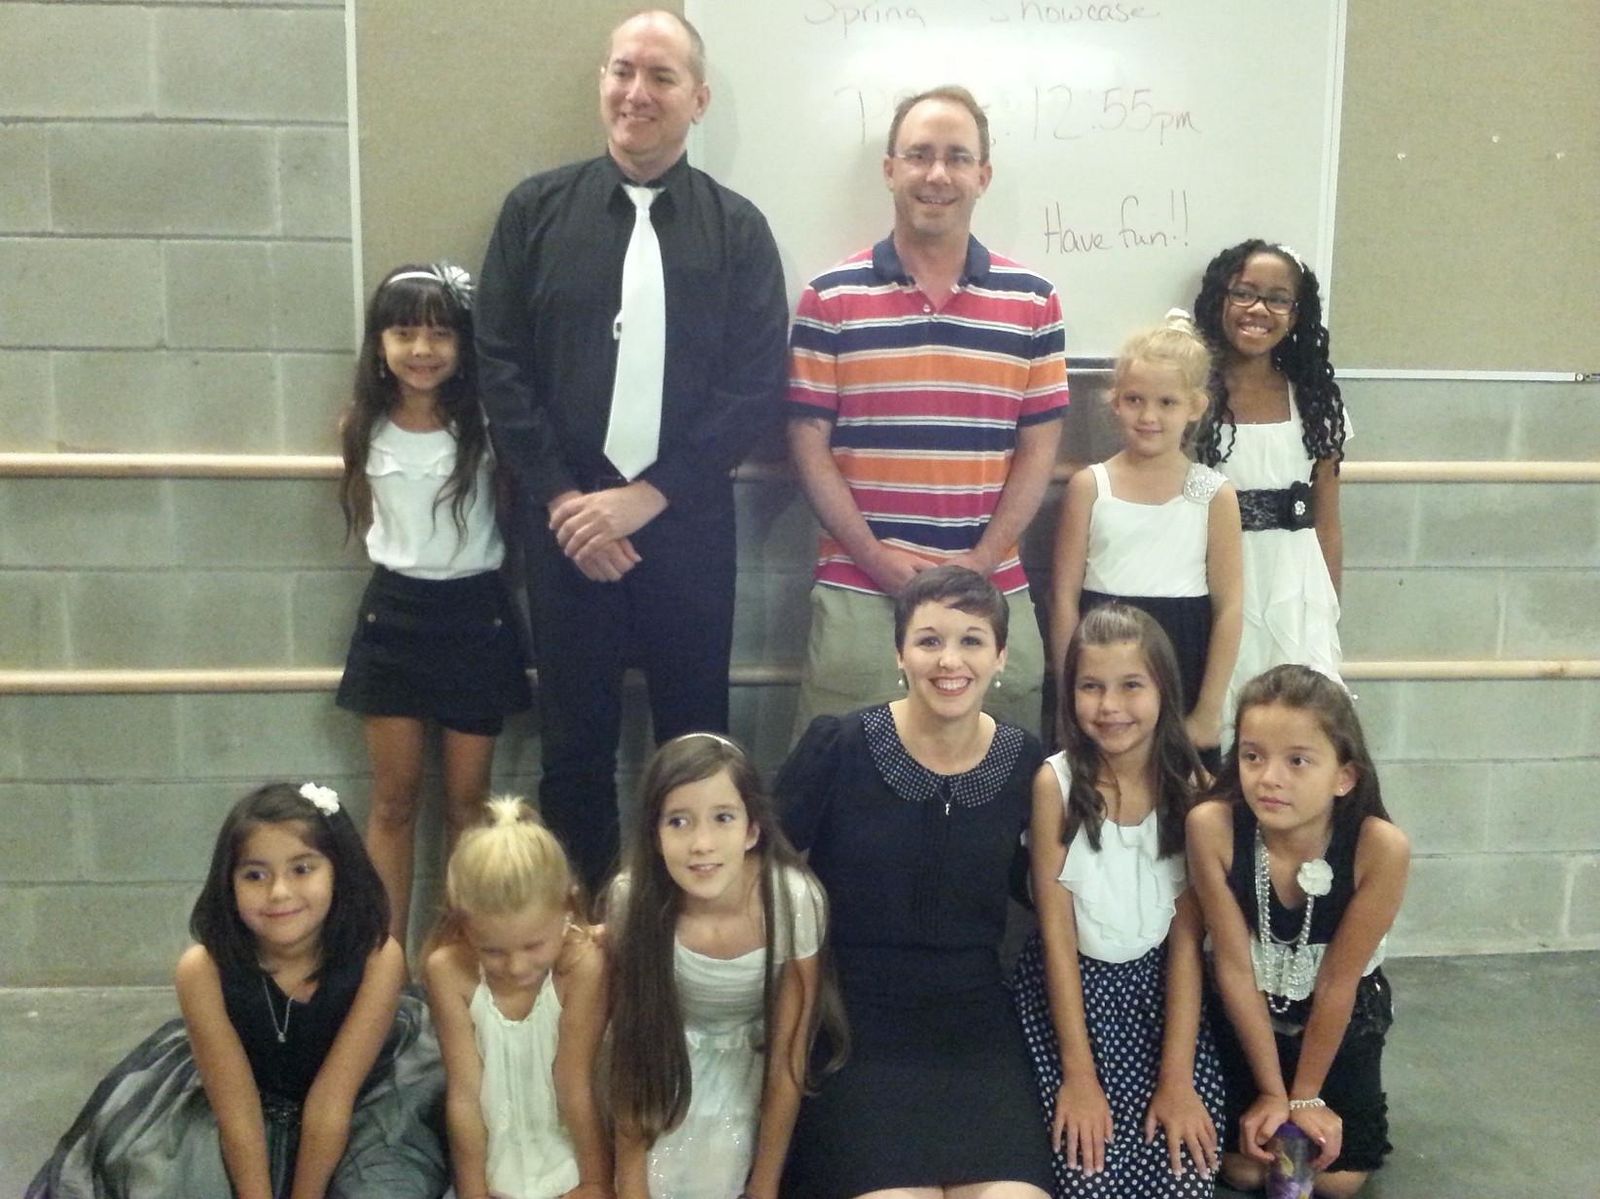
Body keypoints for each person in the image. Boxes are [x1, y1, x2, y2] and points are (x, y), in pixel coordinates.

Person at [475, 10, 789, 892]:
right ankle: (586, 934)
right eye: (622, 71)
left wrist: (646, 497)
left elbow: (755, 383)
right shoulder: (534, 213)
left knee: (695, 746)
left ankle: (686, 925)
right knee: (574, 749)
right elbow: (499, 363)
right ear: (603, 82)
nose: (636, 92)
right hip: (565, 527)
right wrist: (566, 500)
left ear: (699, 99)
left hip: (685, 526)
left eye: (660, 77)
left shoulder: (738, 230)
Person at [788, 84, 1069, 738]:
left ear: (983, 175)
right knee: (838, 783)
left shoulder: (1035, 304)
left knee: (1002, 783)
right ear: (890, 169)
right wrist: (874, 557)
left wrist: (981, 560)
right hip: (860, 593)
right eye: (918, 155)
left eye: (956, 157)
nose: (937, 174)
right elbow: (807, 445)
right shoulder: (829, 299)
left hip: (990, 595)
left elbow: (1038, 453)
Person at [777, 564, 1053, 1199]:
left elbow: (1044, 889)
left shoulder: (1026, 762)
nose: (949, 660)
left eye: (971, 640)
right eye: (929, 640)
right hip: (855, 1023)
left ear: (1000, 657)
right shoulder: (839, 745)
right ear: (899, 652)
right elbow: (762, 865)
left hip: (975, 1023)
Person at [29, 783, 447, 1199]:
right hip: (239, 1106)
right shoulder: (201, 970)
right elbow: (238, 1116)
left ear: (339, 871)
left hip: (356, 1105)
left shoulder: (378, 958)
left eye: (302, 869)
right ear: (228, 883)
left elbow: (331, 1103)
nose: (279, 892)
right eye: (255, 875)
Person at [334, 262, 531, 942]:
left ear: (463, 344)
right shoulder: (361, 425)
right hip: (393, 614)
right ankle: (385, 959)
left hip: (477, 614)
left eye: (441, 333)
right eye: (404, 333)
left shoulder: (487, 423)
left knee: (467, 806)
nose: (422, 349)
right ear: (380, 343)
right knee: (393, 801)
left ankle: (456, 953)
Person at [1011, 605, 1224, 1198]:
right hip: (1070, 1000)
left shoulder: (1196, 790)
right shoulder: (1054, 784)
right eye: (1091, 686)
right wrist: (1079, 1075)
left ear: (1164, 691)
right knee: (1086, 1178)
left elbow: (1186, 944)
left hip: (1161, 999)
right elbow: (1057, 939)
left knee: (1183, 1178)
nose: (1110, 706)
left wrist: (1176, 1077)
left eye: (1132, 685)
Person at [1187, 666, 1409, 1198]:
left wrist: (1305, 1097)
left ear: (1343, 777)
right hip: (1248, 1017)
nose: (1269, 778)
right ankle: (1278, 1115)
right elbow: (1235, 970)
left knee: (1338, 1182)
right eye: (1252, 756)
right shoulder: (1212, 827)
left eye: (1298, 761)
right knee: (1244, 1169)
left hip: (1336, 1021)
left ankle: (1304, 1120)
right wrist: (1271, 1092)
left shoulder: (1380, 847)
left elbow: (1337, 982)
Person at [605, 733, 843, 1199]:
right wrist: (631, 1185)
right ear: (654, 835)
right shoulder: (631, 900)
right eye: (678, 821)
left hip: (755, 1064)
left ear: (753, 829)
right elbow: (632, 1048)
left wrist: (764, 1186)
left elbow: (788, 1057)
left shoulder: (792, 899)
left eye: (723, 818)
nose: (702, 844)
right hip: (665, 1065)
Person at [1050, 312, 1243, 769]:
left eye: (1167, 402)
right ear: (1115, 402)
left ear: (1195, 406)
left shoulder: (1214, 495)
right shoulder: (1090, 487)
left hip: (1183, 663)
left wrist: (1208, 711)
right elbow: (1063, 600)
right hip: (1102, 665)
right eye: (1135, 400)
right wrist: (1068, 697)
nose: (1149, 416)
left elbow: (1230, 607)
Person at [1192, 242, 1349, 724]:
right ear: (1220, 299)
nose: (1259, 309)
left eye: (1278, 299)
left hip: (1295, 588)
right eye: (1244, 293)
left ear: (1296, 314)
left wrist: (1327, 609)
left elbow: (1328, 523)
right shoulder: (1191, 397)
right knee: (1221, 715)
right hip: (1215, 582)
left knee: (1295, 719)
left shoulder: (1314, 401)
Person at [423, 797, 609, 1199]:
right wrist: (474, 1192)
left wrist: (596, 1182)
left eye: (533, 945)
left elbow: (575, 1083)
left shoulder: (582, 967)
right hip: (491, 1164)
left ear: (567, 909)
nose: (516, 966)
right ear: (463, 924)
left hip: (570, 1157)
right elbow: (465, 1098)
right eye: (492, 950)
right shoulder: (446, 971)